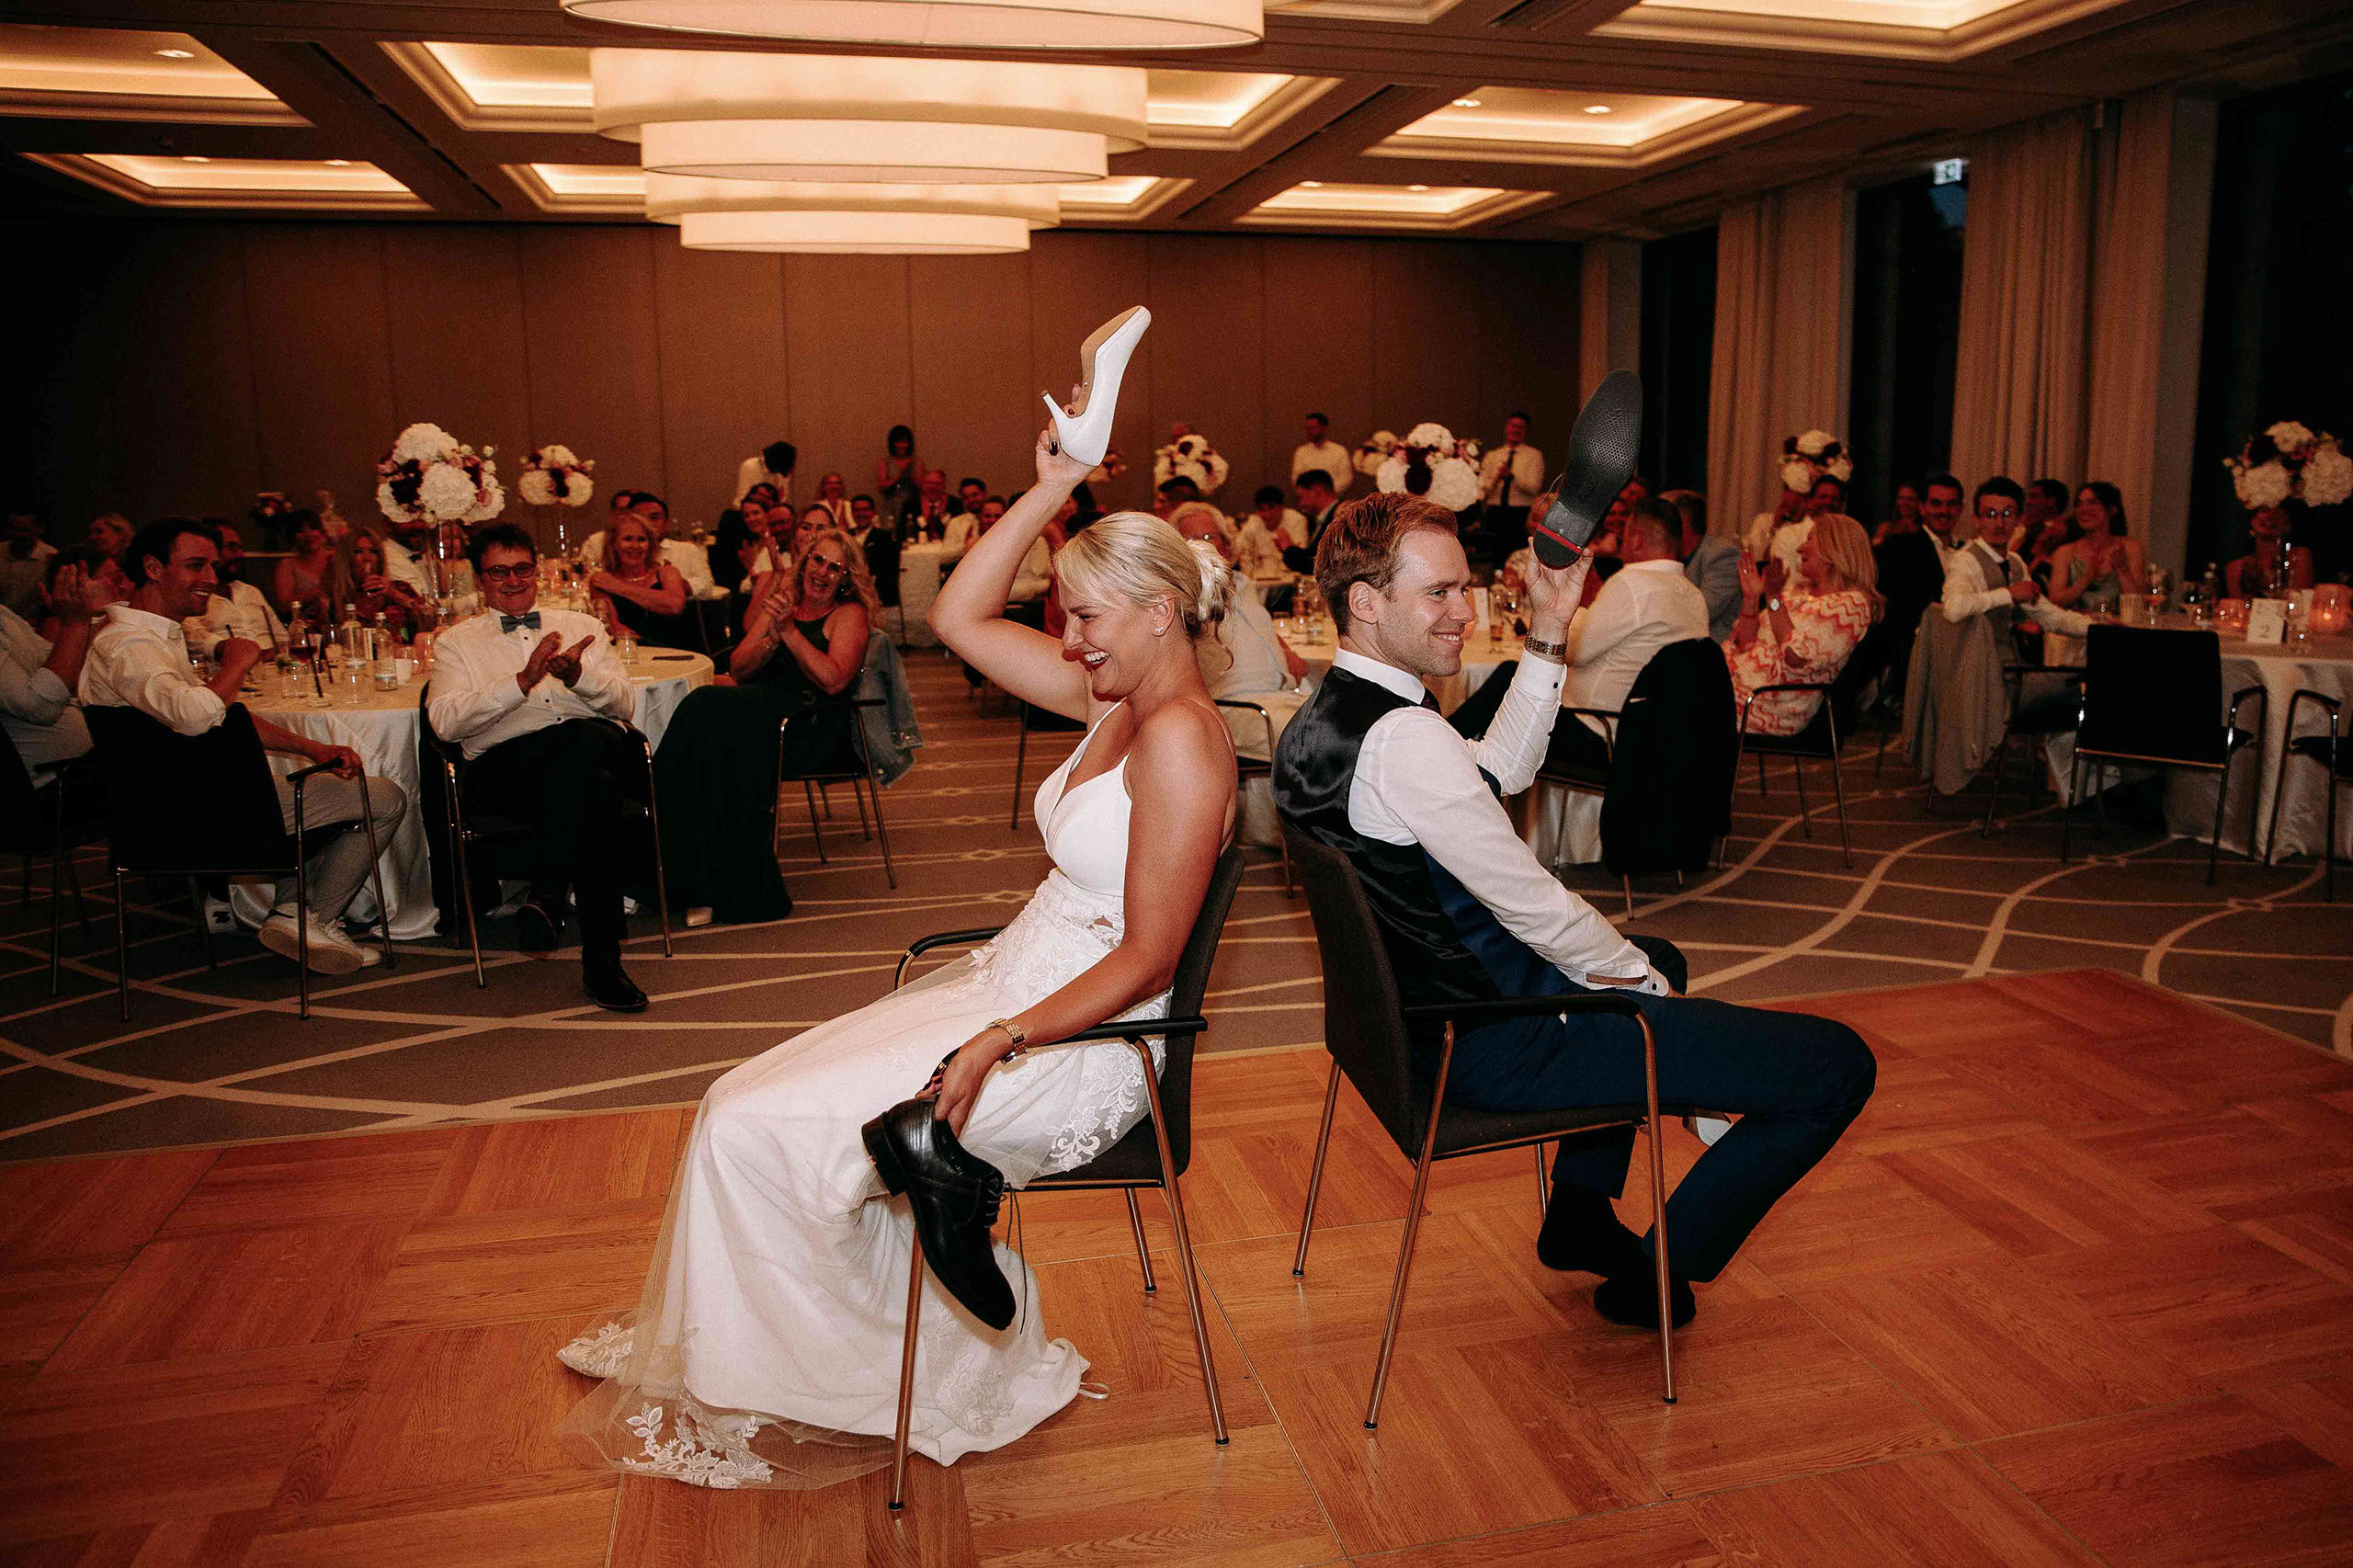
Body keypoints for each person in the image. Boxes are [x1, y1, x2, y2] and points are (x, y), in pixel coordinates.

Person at [558, 422, 1238, 1484]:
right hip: (1012, 984)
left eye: (1087, 616)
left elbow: (1151, 957)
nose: (1069, 641)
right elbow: (959, 616)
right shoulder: (1113, 697)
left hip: (1079, 1038)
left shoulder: (1183, 737)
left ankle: (822, 1364)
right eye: (1066, 616)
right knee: (737, 1101)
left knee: (750, 1125)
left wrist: (997, 1040)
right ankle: (825, 1345)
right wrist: (1053, 483)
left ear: (1160, 610)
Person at [1273, 491, 1874, 1328]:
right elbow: (1535, 907)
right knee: (1836, 1067)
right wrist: (1641, 990)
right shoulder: (1403, 739)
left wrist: (1552, 624)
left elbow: (1502, 771)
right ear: (1367, 603)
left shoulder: (1326, 721)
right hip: (1494, 1042)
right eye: (1439, 592)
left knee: (1654, 954)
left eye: (1463, 587)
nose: (1465, 611)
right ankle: (1655, 1278)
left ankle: (1580, 1213)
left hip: (1413, 1026)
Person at [82, 519, 405, 974]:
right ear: (153, 568)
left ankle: (296, 913)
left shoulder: (154, 636)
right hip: (184, 815)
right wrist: (236, 663)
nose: (210, 578)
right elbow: (196, 715)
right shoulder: (129, 645)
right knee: (384, 798)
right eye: (195, 565)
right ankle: (309, 916)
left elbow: (223, 714)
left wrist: (311, 748)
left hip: (193, 797)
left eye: (212, 566)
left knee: (323, 788)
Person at [426, 525, 650, 1011]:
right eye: (499, 572)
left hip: (584, 758)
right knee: (596, 785)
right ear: (479, 580)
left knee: (585, 750)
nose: (513, 580)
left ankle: (550, 896)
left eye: (522, 569)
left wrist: (580, 677)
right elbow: (444, 723)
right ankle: (599, 961)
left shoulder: (579, 625)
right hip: (508, 770)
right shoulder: (456, 643)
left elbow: (625, 703)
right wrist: (521, 682)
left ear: (537, 571)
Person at [651, 528, 874, 925]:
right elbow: (739, 666)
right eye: (818, 561)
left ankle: (658, 804)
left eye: (835, 567)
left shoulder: (850, 614)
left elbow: (833, 680)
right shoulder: (785, 601)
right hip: (756, 710)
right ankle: (696, 880)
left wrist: (789, 633)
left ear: (846, 578)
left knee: (706, 708)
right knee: (706, 737)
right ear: (805, 563)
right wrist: (772, 635)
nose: (822, 572)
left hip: (808, 723)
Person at [1455, 501, 1708, 777]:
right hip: (1656, 740)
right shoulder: (1695, 596)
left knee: (1510, 677)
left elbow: (1571, 651)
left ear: (1636, 540)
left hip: (1601, 734)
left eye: (1623, 534)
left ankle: (1442, 750)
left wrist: (1576, 612)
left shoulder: (1632, 583)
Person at [1903, 478, 2092, 796]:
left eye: (2007, 514)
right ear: (1976, 519)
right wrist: (2008, 594)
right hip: (1991, 683)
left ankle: (2074, 784)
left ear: (2019, 519)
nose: (1999, 523)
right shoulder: (1966, 561)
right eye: (1990, 514)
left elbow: (2049, 616)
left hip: (2003, 675)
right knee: (2084, 690)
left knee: (2082, 685)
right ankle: (2084, 789)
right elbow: (1953, 608)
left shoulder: (2014, 563)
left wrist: (2096, 627)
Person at [1725, 513, 1881, 736]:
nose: (1800, 548)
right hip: (1739, 683)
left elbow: (1796, 658)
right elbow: (1744, 644)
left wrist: (1774, 600)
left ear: (1833, 549)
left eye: (1810, 540)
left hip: (1771, 704)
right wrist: (1751, 598)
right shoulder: (1795, 592)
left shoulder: (1850, 605)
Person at [2, 554, 105, 783]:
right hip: (49, 783)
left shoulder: (3, 614)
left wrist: (92, 616)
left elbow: (64, 667)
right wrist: (75, 623)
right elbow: (40, 705)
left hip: (74, 769)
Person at [1873, 473, 1958, 705]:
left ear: (1960, 509)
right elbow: (1891, 607)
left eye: (1951, 504)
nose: (1944, 511)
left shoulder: (1967, 551)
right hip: (1916, 652)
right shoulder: (1898, 547)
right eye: (1936, 503)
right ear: (1923, 508)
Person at [589, 512, 694, 650]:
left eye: (641, 540)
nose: (635, 546)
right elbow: (613, 627)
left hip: (677, 651)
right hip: (629, 652)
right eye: (627, 539)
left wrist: (618, 587)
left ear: (650, 544)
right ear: (614, 544)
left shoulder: (667, 572)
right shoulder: (601, 581)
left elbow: (674, 605)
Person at [186, 525, 290, 656]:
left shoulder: (251, 591)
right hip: (230, 664)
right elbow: (193, 637)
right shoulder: (196, 594)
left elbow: (282, 637)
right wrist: (243, 653)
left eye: (241, 548)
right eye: (231, 547)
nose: (240, 554)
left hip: (276, 663)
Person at [2046, 482, 2146, 614]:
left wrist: (2123, 569)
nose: (2084, 510)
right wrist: (2088, 577)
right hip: (2076, 624)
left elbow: (2139, 603)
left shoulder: (2130, 547)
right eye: (2079, 504)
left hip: (2119, 624)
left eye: (2092, 503)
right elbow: (2055, 602)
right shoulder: (2065, 552)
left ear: (2112, 509)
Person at [1673, 490, 1742, 641]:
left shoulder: (1722, 554)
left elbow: (1702, 611)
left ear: (1681, 526)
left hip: (1714, 646)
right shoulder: (1671, 555)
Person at [1477, 411, 1546, 552]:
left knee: (1516, 552)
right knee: (1493, 552)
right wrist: (1497, 478)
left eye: (1521, 427)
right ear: (1506, 427)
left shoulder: (1534, 456)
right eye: (1513, 426)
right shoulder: (1492, 456)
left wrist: (1513, 477)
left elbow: (1534, 488)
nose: (1516, 430)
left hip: (1520, 513)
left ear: (1526, 431)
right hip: (1494, 512)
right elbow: (1482, 488)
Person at [2227, 500, 2316, 599]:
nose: (2270, 517)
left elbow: (2298, 600)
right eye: (2264, 510)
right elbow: (2236, 606)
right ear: (2252, 520)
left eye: (2278, 512)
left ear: (2288, 524)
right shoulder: (2236, 567)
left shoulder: (2299, 557)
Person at [270, 508, 335, 620]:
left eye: (313, 529)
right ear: (292, 537)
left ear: (321, 532)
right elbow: (284, 607)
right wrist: (318, 593)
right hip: (304, 624)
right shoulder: (287, 565)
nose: (308, 535)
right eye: (301, 531)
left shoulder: (335, 559)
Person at [1233, 485, 1302, 586]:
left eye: (1271, 508)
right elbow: (1236, 551)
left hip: (1288, 582)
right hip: (1259, 582)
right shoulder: (1254, 522)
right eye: (1262, 509)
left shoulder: (1296, 520)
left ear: (1282, 507)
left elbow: (1299, 559)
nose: (1267, 514)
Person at [1280, 470, 1342, 574]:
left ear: (1317, 492)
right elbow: (1313, 556)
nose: (1300, 504)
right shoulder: (1316, 521)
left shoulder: (1341, 517)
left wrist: (1289, 549)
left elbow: (1322, 565)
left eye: (1301, 497)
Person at [2, 506, 55, 621]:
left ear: (40, 530)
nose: (17, 535)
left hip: (30, 626)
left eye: (24, 531)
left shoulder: (50, 558)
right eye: (13, 529)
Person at [1291, 412, 1353, 496]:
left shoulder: (1339, 451)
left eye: (1312, 428)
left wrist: (1324, 493)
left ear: (1324, 428)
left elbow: (1346, 479)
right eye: (1307, 429)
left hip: (1334, 498)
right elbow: (1296, 478)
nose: (1309, 432)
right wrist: (1311, 493)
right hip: (1309, 499)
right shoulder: (1301, 452)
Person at [876, 426, 919, 524]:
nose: (902, 446)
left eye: (905, 442)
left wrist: (910, 476)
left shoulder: (916, 461)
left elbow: (921, 485)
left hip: (911, 504)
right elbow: (881, 487)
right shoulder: (885, 462)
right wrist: (897, 478)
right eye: (898, 442)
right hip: (891, 505)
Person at [737, 440, 797, 510]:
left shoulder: (781, 472)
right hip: (744, 509)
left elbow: (781, 500)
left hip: (769, 511)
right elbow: (743, 496)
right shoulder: (750, 466)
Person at [1870, 482, 1922, 546]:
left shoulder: (1924, 528)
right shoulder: (1886, 528)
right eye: (1901, 498)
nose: (1905, 503)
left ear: (1918, 502)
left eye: (1910, 499)